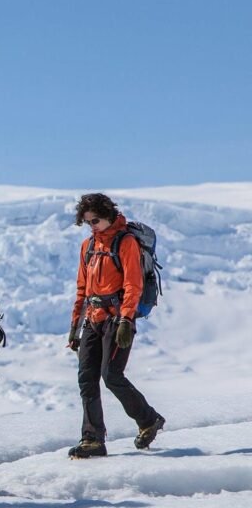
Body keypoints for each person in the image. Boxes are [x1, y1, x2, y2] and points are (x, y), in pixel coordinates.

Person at [67, 193, 166, 458]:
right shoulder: (88, 246)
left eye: (95, 220)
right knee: (86, 378)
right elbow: (82, 289)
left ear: (108, 215)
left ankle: (148, 419)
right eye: (87, 222)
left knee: (111, 375)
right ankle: (92, 439)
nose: (92, 226)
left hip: (117, 318)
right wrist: (75, 327)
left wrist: (126, 320)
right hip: (93, 318)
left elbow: (133, 285)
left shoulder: (126, 242)